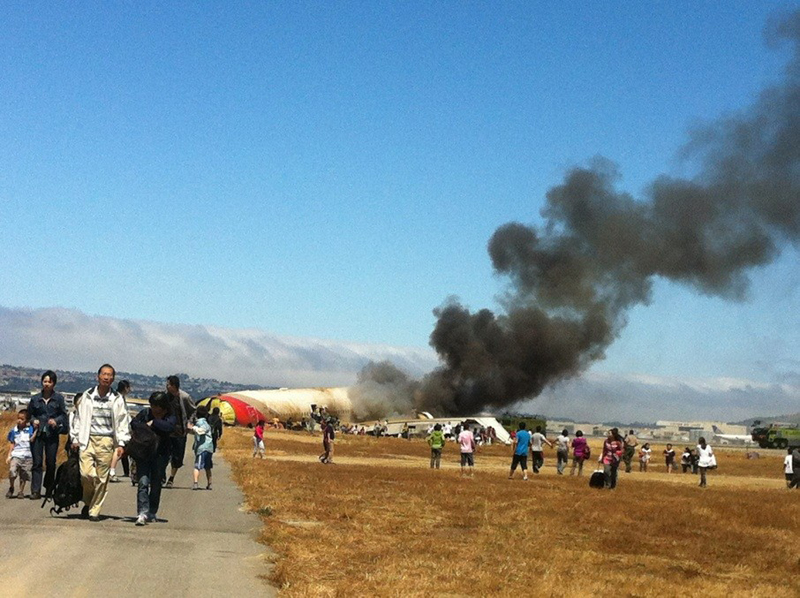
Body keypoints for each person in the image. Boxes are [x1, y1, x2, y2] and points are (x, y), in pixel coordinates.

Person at [69, 364, 131, 521]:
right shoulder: (87, 396)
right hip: (87, 438)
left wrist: (121, 443)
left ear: (113, 378)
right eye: (104, 374)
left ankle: (94, 510)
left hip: (106, 440)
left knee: (102, 478)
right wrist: (75, 438)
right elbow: (78, 418)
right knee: (86, 474)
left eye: (110, 375)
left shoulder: (116, 399)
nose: (106, 377)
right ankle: (89, 501)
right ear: (98, 376)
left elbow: (123, 421)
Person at [131, 392, 176, 525]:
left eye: (157, 406)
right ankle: (142, 512)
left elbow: (169, 427)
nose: (154, 408)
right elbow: (133, 423)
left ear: (163, 406)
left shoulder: (170, 416)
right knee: (143, 482)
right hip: (144, 453)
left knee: (156, 484)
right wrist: (146, 425)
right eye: (152, 405)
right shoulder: (145, 413)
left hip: (161, 455)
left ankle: (152, 510)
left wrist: (155, 422)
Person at [28, 370, 68, 500]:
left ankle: (49, 486)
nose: (46, 384)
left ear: (54, 384)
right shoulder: (35, 399)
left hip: (52, 434)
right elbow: (29, 415)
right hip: (38, 433)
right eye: (44, 381)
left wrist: (56, 421)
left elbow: (63, 414)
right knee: (37, 462)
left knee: (51, 462)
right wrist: (33, 420)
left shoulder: (59, 399)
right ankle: (35, 490)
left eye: (49, 382)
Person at [164, 375, 195, 489]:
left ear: (174, 386)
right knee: (163, 454)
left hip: (179, 432)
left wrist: (189, 422)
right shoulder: (165, 397)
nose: (167, 386)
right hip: (166, 431)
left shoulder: (185, 397)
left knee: (177, 458)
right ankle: (162, 475)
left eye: (169, 384)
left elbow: (193, 410)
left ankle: (171, 478)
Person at [6, 409, 36, 499]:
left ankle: (21, 491)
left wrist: (35, 431)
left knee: (23, 474)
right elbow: (12, 443)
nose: (19, 421)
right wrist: (9, 455)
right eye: (18, 418)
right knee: (12, 471)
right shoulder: (14, 430)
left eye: (22, 419)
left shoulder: (30, 429)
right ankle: (11, 487)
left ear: (26, 421)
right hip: (16, 454)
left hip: (27, 455)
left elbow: (32, 439)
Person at [109, 380, 132, 483]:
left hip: (117, 429)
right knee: (118, 451)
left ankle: (110, 470)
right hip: (118, 430)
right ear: (125, 388)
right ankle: (112, 472)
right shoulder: (119, 399)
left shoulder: (118, 397)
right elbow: (121, 415)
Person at [188, 405, 214, 491]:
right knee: (208, 467)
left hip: (202, 448)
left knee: (197, 466)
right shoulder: (207, 423)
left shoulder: (200, 423)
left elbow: (200, 431)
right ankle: (209, 483)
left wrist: (192, 427)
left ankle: (195, 483)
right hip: (209, 448)